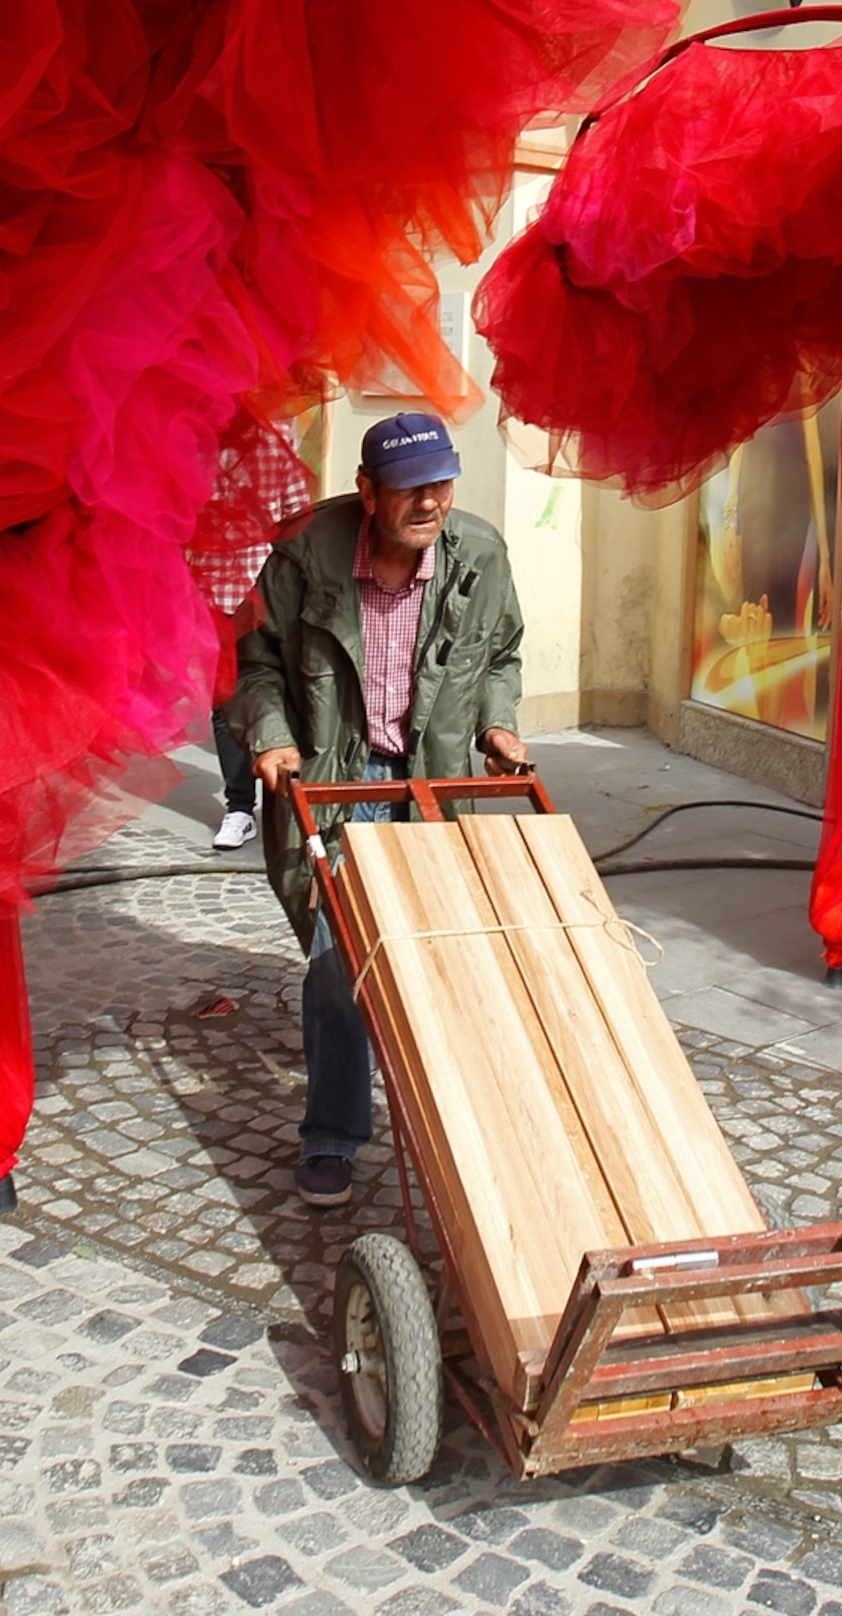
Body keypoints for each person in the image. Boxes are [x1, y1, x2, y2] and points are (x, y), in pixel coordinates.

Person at [226, 412, 529, 1206]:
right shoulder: (305, 552)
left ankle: (460, 1123)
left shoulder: (481, 554)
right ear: (368, 492)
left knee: (445, 951)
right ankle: (332, 1133)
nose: (429, 501)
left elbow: (499, 652)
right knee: (339, 960)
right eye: (408, 487)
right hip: (337, 778)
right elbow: (252, 660)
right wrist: (271, 736)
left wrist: (497, 722)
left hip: (431, 780)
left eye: (440, 483)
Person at [188, 419, 320, 850]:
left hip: (260, 588)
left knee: (259, 696)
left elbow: (296, 518)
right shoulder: (195, 431)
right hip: (225, 589)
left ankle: (258, 804)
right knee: (230, 699)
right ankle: (243, 807)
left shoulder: (271, 432)